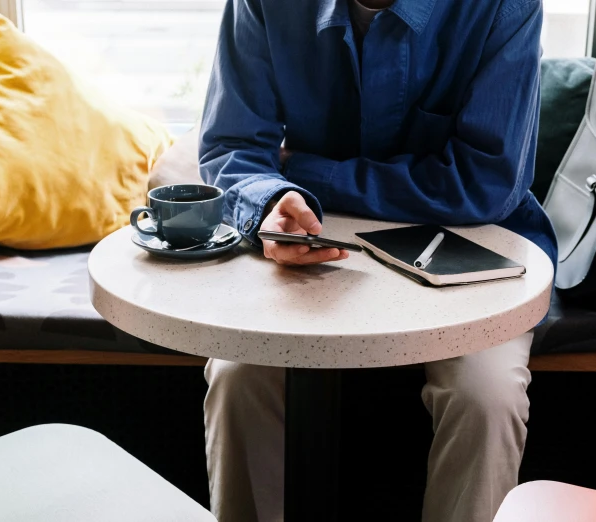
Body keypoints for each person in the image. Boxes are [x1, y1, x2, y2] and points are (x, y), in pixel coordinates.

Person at [198, 0, 557, 521]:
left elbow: (485, 184)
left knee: (488, 393)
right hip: (316, 242)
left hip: (477, 246)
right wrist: (267, 202)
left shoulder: (505, 6)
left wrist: (310, 174)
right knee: (237, 375)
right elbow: (231, 144)